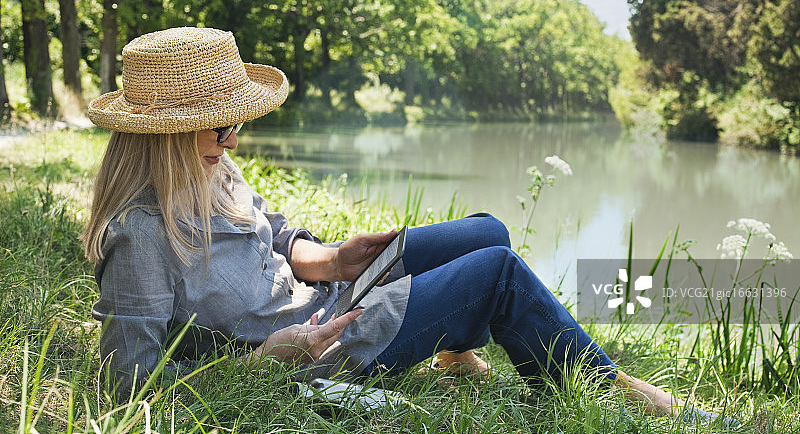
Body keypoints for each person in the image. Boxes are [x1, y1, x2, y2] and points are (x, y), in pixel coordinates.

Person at [83, 27, 734, 425]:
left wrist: (333, 257)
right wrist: (261, 363)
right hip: (320, 349)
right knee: (498, 275)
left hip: (327, 294)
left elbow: (274, 237)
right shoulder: (140, 235)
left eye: (236, 119)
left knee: (489, 232)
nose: (234, 134)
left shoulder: (212, 166)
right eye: (221, 123)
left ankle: (454, 346)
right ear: (164, 135)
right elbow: (129, 382)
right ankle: (624, 392)